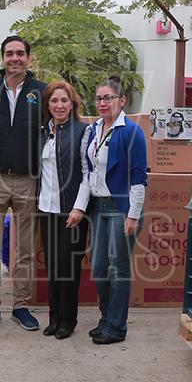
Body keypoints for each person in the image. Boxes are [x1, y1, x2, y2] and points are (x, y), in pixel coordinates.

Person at [0, 35, 46, 332]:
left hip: (28, 179)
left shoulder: (41, 91)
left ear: (28, 58)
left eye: (20, 53)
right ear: (2, 58)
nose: (14, 58)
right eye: (9, 53)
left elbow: (59, 119)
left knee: (26, 247)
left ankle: (21, 305)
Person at [75, 79, 148, 344]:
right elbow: (89, 170)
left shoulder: (131, 131)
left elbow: (139, 178)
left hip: (121, 208)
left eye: (108, 98)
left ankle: (116, 326)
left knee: (118, 267)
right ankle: (106, 318)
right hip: (99, 207)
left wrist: (133, 215)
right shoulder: (94, 129)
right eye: (99, 98)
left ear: (121, 100)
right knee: (99, 267)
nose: (103, 103)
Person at [37, 81, 89, 339]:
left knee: (68, 268)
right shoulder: (42, 132)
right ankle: (54, 317)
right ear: (48, 105)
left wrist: (79, 207)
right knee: (53, 267)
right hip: (46, 209)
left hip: (72, 211)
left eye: (64, 100)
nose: (59, 105)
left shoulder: (82, 131)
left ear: (72, 103)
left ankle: (68, 320)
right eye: (54, 101)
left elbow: (88, 173)